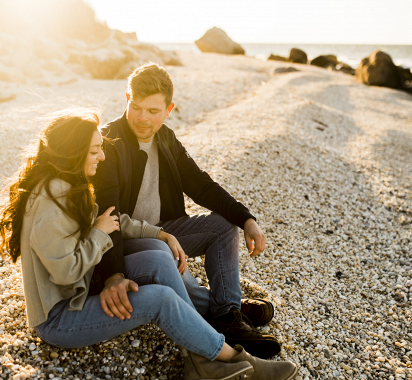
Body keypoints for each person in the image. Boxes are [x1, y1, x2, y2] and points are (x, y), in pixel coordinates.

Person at [0, 109, 297, 380]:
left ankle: (203, 340)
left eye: (100, 147)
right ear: (72, 153)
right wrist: (100, 235)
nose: (102, 155)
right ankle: (228, 359)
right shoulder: (50, 206)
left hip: (82, 288)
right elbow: (66, 272)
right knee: (161, 299)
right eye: (94, 150)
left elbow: (114, 220)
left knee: (156, 254)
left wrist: (161, 234)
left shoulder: (69, 184)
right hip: (61, 317)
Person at [91, 63, 280, 359]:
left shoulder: (166, 138)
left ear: (169, 109)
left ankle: (226, 314)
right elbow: (109, 216)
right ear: (127, 99)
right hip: (124, 241)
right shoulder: (109, 143)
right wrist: (113, 275)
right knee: (160, 248)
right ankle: (222, 311)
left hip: (165, 229)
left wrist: (246, 219)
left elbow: (202, 185)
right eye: (136, 107)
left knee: (223, 226)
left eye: (153, 111)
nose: (142, 118)